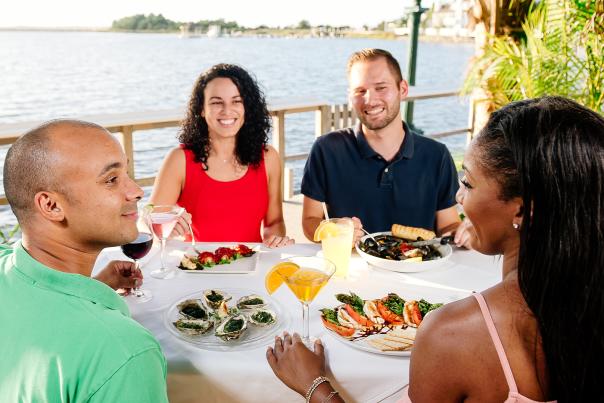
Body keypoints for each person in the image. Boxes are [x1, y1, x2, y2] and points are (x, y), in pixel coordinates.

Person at [267, 96, 604, 402]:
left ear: (521, 210)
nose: (459, 197)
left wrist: (314, 384)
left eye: (469, 184)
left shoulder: (454, 333)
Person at [0, 120, 168, 402]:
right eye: (111, 180)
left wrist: (96, 285)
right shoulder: (124, 353)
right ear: (51, 206)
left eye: (126, 173)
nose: (137, 191)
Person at [301, 48, 466, 246]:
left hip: (419, 269)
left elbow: (448, 224)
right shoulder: (326, 149)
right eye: (360, 91)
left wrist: (460, 234)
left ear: (403, 89)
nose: (369, 100)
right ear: (350, 96)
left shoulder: (437, 155)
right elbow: (310, 221)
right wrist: (332, 232)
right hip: (351, 270)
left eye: (381, 88)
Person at [150, 63, 293, 248]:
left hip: (253, 267)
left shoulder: (268, 157)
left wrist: (273, 241)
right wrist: (167, 227)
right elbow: (149, 221)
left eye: (237, 101)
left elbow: (274, 223)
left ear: (247, 107)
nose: (227, 110)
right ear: (201, 109)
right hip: (198, 268)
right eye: (217, 102)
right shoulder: (178, 160)